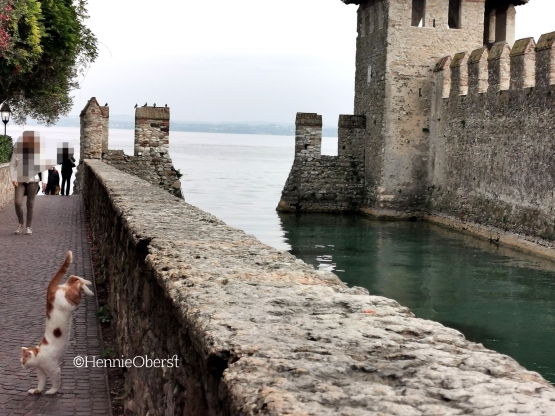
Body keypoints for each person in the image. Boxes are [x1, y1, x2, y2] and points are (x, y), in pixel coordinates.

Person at [9, 133, 46, 235]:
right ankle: (21, 223)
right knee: (17, 202)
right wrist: (13, 178)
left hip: (33, 180)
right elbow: (12, 165)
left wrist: (44, 181)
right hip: (19, 180)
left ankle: (28, 226)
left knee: (30, 204)